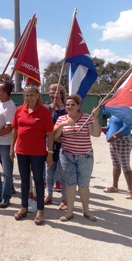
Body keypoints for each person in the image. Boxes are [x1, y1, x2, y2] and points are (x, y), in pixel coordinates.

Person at [53, 94, 101, 222]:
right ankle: (69, 212)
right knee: (70, 184)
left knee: (84, 185)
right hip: (67, 156)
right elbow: (54, 135)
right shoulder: (61, 118)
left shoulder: (87, 118)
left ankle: (86, 211)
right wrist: (63, 124)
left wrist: (95, 118)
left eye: (73, 105)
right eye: (67, 105)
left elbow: (96, 134)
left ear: (79, 106)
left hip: (85, 156)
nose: (69, 107)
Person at [11, 84, 54, 225]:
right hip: (22, 151)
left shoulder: (44, 112)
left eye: (31, 95)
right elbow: (15, 130)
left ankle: (40, 210)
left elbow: (50, 133)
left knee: (38, 180)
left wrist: (50, 153)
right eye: (26, 95)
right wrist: (12, 148)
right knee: (24, 180)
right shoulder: (19, 110)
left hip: (38, 153)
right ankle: (23, 207)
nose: (29, 98)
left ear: (37, 96)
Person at [45, 84, 68, 210]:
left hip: (64, 145)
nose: (51, 95)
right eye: (50, 92)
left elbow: (70, 125)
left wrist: (61, 136)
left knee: (63, 172)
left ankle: (64, 199)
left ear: (61, 94)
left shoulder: (67, 109)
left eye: (54, 92)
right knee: (49, 172)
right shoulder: (47, 109)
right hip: (50, 145)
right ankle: (49, 194)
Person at [102, 110, 132, 199]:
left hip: (123, 142)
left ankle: (130, 190)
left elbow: (127, 127)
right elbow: (110, 126)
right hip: (113, 143)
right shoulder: (113, 114)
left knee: (125, 165)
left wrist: (114, 136)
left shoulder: (126, 113)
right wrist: (105, 130)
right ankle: (114, 186)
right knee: (115, 165)